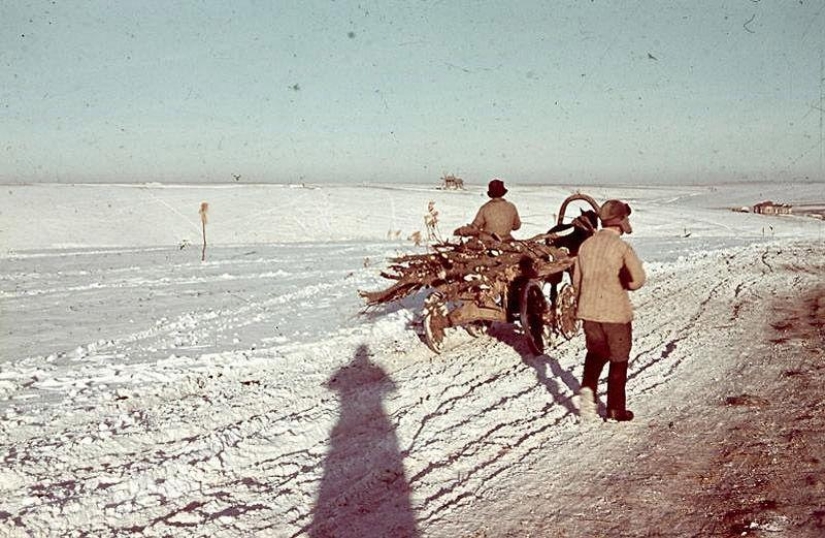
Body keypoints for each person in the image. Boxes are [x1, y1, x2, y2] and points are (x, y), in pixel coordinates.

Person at [573, 199, 646, 422]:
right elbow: (638, 280)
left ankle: (587, 389)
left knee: (596, 352)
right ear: (621, 221)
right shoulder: (622, 247)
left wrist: (582, 301)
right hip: (614, 313)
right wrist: (626, 283)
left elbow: (577, 281)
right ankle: (616, 410)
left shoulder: (586, 245)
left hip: (588, 312)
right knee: (618, 358)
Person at [454, 179, 522, 242]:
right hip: (506, 240)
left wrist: (461, 231)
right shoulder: (511, 207)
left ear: (491, 194)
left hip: (488, 241)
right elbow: (517, 226)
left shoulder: (485, 208)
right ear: (502, 193)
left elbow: (474, 228)